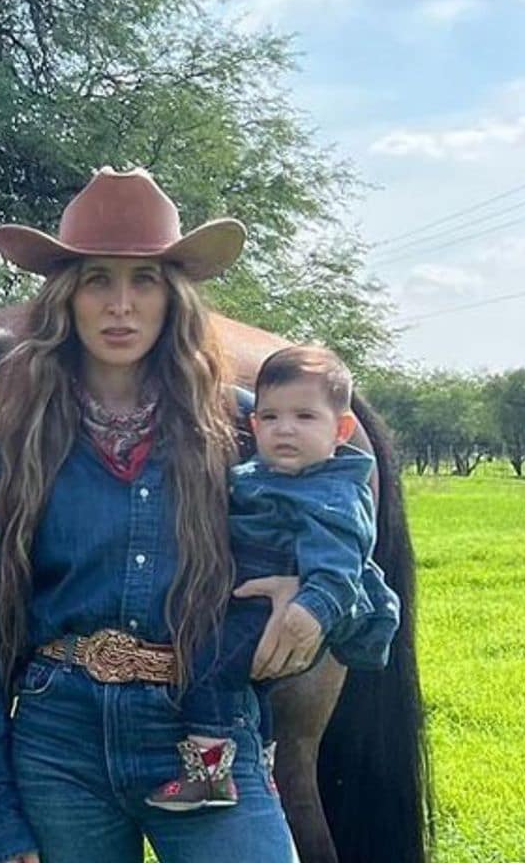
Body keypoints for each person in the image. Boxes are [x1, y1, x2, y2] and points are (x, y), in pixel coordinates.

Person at [0, 167, 314, 863]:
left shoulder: (240, 432)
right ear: (67, 299)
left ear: (173, 299)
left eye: (143, 280)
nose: (121, 305)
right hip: (59, 743)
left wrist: (312, 594)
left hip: (205, 738)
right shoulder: (11, 441)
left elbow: (341, 541)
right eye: (97, 280)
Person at [146, 344, 400, 811]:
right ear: (253, 423)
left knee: (206, 667)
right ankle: (264, 767)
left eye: (304, 417)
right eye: (271, 417)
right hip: (253, 600)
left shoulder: (331, 492)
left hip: (273, 610)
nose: (285, 429)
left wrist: (312, 609)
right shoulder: (272, 474)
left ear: (341, 430)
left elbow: (341, 561)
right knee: (253, 691)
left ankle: (208, 775)